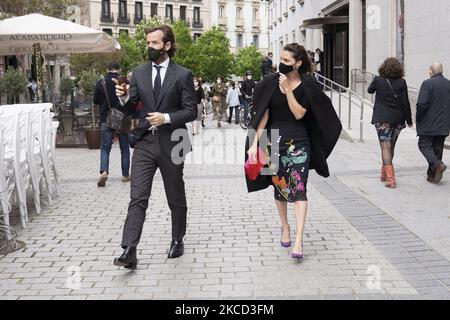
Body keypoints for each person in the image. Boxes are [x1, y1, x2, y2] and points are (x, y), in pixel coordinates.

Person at [245, 43, 342, 260]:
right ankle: (285, 227)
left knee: (299, 188)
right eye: (281, 59)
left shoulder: (308, 85)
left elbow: (299, 114)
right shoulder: (270, 82)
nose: (281, 64)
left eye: (287, 61)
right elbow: (264, 115)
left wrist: (288, 90)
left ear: (298, 63)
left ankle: (298, 239)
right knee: (279, 188)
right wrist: (254, 144)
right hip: (274, 139)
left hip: (299, 141)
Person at [112, 25, 197, 269]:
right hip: (144, 142)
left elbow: (191, 110)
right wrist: (124, 97)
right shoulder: (138, 73)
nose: (149, 47)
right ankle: (129, 249)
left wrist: (166, 118)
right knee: (138, 197)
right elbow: (131, 107)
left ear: (167, 46)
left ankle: (177, 238)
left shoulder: (182, 74)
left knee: (175, 195)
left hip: (174, 141)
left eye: (154, 43)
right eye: (148, 43)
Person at [367, 57, 413, 188]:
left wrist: (377, 82)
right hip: (397, 120)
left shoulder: (378, 80)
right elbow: (406, 103)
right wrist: (409, 120)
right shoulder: (402, 83)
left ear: (383, 67)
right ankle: (384, 173)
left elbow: (369, 90)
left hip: (382, 119)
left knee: (385, 147)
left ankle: (391, 179)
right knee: (391, 146)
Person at [93, 62, 131, 187]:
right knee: (124, 147)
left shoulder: (101, 82)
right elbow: (131, 100)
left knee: (105, 147)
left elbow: (95, 101)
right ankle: (125, 175)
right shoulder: (124, 82)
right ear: (119, 69)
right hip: (123, 118)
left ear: (107, 69)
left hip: (106, 118)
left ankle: (104, 171)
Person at [416, 62, 450, 183]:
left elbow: (421, 104)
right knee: (437, 149)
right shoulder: (448, 84)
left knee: (423, 145)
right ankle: (432, 176)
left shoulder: (427, 83)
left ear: (431, 71)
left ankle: (438, 165)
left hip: (428, 123)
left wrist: (418, 118)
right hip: (444, 124)